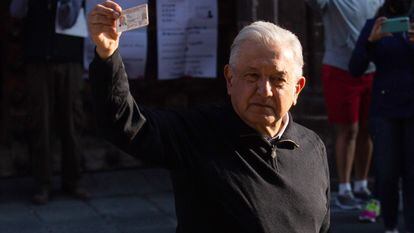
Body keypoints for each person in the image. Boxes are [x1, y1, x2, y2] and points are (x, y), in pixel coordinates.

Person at [87, 1, 330, 232]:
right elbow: (122, 123)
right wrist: (107, 56)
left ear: (297, 88)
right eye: (252, 76)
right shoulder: (195, 135)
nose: (264, 90)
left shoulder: (312, 147)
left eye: (278, 79)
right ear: (230, 79)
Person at [9, 0, 89, 204]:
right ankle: (43, 183)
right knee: (40, 123)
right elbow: (16, 11)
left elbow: (71, 17)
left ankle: (73, 180)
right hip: (38, 60)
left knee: (72, 121)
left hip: (69, 59)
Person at [306, 0, 383, 210]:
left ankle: (361, 184)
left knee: (367, 129)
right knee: (348, 129)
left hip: (372, 68)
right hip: (340, 68)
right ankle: (344, 188)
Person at [349, 0, 414, 232]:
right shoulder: (375, 24)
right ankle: (390, 226)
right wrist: (370, 42)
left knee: (412, 175)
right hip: (385, 109)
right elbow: (355, 67)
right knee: (386, 173)